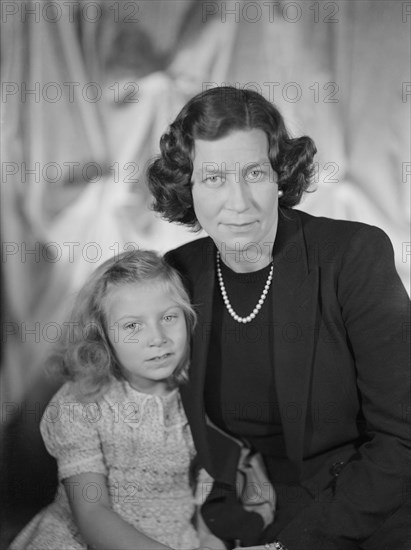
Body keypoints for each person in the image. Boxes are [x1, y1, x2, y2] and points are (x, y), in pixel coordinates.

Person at [147, 86, 411, 550]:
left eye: (254, 173)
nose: (240, 202)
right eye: (213, 178)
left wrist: (299, 544)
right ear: (186, 185)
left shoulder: (352, 255)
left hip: (367, 498)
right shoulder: (179, 274)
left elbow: (403, 439)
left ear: (279, 176)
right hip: (247, 506)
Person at [8, 249, 212, 550]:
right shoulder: (82, 405)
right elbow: (92, 513)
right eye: (132, 325)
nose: (158, 337)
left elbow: (210, 494)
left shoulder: (200, 397)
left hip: (178, 538)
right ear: (101, 334)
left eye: (169, 317)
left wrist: (211, 541)